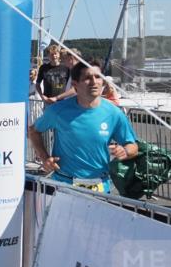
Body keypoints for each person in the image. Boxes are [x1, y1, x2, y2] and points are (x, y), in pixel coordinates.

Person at [28, 61, 138, 194]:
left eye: (97, 77)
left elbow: (133, 146)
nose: (94, 82)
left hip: (100, 186)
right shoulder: (57, 111)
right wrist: (45, 158)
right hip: (64, 184)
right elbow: (33, 131)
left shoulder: (114, 113)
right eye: (87, 78)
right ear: (75, 85)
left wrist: (125, 151)